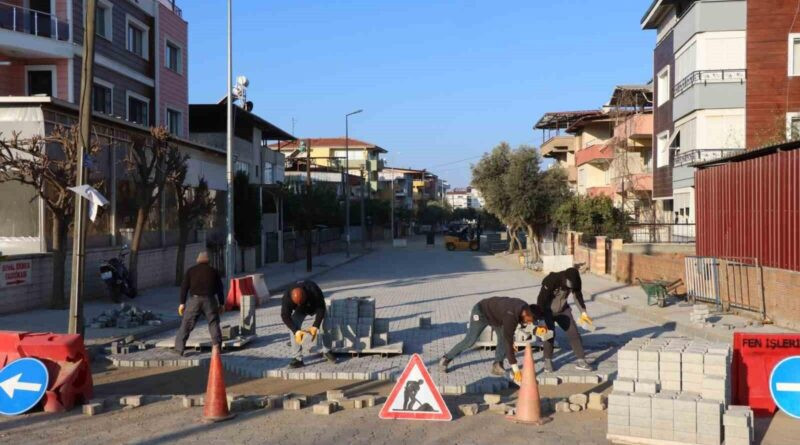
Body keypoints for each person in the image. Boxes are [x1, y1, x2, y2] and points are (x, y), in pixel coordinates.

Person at [438, 297, 542, 384]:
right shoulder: (512, 316)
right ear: (527, 314)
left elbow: (513, 330)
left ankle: (497, 365)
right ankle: (446, 359)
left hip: (496, 317)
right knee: (470, 340)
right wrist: (515, 369)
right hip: (481, 312)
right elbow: (509, 341)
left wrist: (535, 329)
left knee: (502, 338)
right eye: (531, 321)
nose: (529, 323)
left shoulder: (524, 307)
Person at [536, 267, 592, 372]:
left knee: (574, 333)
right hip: (547, 310)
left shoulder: (576, 281)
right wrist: (541, 318)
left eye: (573, 285)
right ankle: (547, 362)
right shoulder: (552, 279)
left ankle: (581, 360)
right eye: (570, 284)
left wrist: (583, 312)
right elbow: (541, 299)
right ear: (566, 279)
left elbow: (578, 296)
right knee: (549, 335)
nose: (571, 286)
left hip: (563, 310)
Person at [173, 251, 225, 356]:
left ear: (198, 260)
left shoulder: (191, 271)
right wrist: (221, 304)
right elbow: (220, 289)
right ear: (208, 261)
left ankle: (179, 349)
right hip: (210, 300)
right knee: (213, 323)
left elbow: (184, 288)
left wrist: (182, 303)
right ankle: (216, 347)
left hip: (194, 300)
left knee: (186, 324)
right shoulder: (214, 272)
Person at [281, 280, 336, 368]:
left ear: (305, 295)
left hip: (315, 306)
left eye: (301, 301)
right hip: (301, 310)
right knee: (293, 327)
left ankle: (327, 350)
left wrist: (315, 326)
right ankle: (297, 359)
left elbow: (321, 309)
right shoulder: (287, 297)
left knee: (326, 326)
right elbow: (285, 316)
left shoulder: (313, 289)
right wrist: (296, 331)